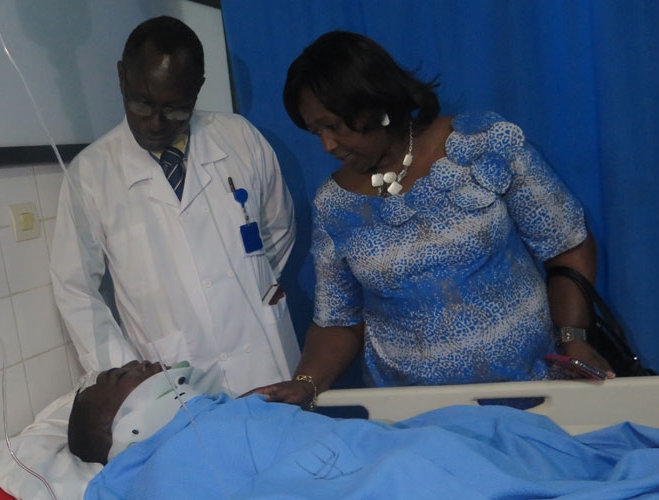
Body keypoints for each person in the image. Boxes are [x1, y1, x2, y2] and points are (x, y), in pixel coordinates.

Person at [247, 30, 611, 410]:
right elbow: (339, 320)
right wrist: (306, 383)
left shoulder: (483, 145)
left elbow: (566, 243)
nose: (326, 145)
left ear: (371, 104)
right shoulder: (334, 205)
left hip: (533, 399)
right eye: (316, 131)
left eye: (333, 126)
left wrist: (573, 336)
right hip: (416, 422)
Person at [69, 361, 659, 500]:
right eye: (119, 375)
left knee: (492, 429)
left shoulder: (221, 409)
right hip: (395, 481)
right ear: (121, 424)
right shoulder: (154, 466)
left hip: (409, 447)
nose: (141, 363)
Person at [50, 16, 300, 398]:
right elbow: (75, 288)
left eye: (176, 109)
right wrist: (128, 379)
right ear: (121, 76)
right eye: (141, 102)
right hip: (175, 379)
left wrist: (254, 291)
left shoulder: (239, 137)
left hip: (263, 356)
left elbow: (277, 227)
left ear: (197, 89)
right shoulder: (90, 174)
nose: (155, 123)